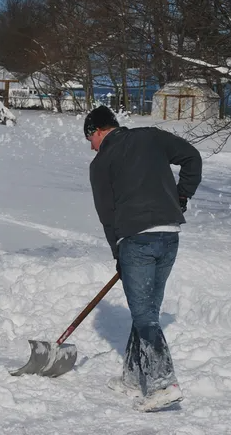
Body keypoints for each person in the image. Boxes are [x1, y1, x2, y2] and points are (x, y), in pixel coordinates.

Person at [85, 105, 202, 412]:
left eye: (90, 139)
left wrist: (118, 254)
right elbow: (193, 158)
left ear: (97, 131)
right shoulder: (151, 137)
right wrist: (181, 196)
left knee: (145, 315)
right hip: (169, 234)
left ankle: (164, 384)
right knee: (148, 310)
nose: (91, 146)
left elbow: (107, 215)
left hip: (136, 240)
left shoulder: (100, 164)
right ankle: (133, 377)